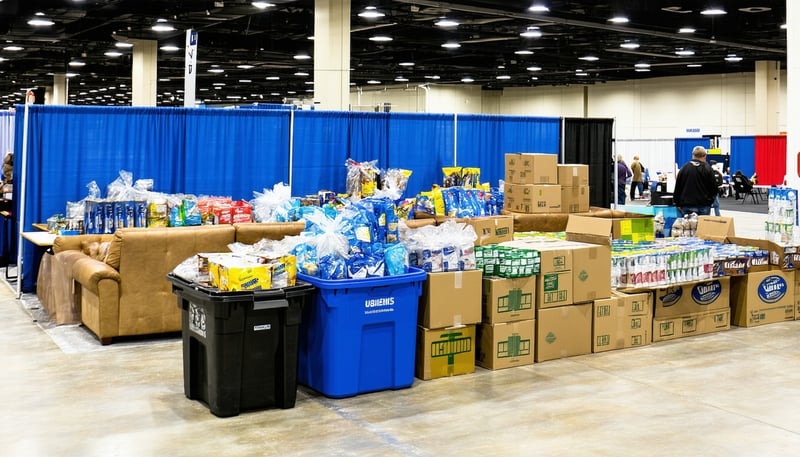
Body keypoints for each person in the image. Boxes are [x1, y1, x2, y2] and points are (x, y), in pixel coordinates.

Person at [673, 146, 718, 216]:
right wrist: (710, 201)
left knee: (688, 226)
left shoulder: (684, 168)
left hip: (687, 205)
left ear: (693, 155)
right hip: (704, 204)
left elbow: (678, 187)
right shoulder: (708, 169)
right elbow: (714, 188)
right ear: (705, 156)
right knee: (702, 226)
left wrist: (677, 203)